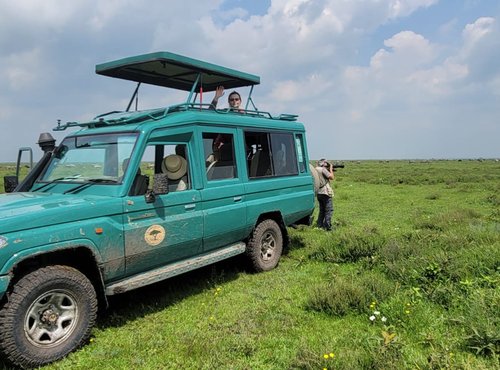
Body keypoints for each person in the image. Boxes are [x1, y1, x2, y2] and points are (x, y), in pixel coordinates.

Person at [315, 158, 334, 231]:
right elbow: (332, 177)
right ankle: (327, 227)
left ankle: (319, 225)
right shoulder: (323, 169)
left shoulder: (315, 169)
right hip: (325, 192)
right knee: (329, 210)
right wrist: (331, 169)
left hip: (318, 192)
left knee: (322, 210)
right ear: (323, 164)